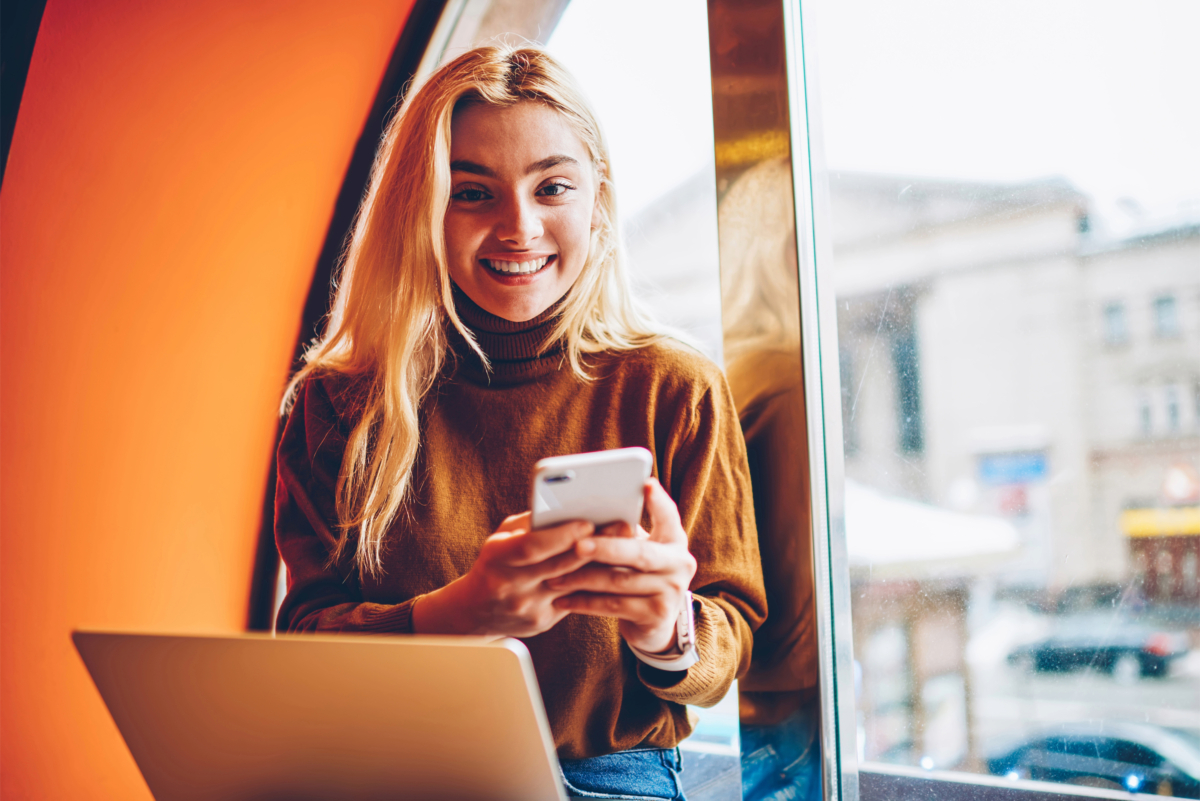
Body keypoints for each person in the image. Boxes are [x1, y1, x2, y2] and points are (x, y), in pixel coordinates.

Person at [273, 45, 766, 801]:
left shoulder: (675, 386)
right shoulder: (338, 401)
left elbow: (728, 634)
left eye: (553, 187)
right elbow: (303, 641)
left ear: (597, 200)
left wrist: (669, 631)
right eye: (473, 193)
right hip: (392, 773)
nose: (519, 227)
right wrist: (457, 615)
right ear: (423, 207)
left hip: (610, 776)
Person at [720, 157, 821, 801]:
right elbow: (789, 575)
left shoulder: (741, 367)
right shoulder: (785, 379)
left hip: (756, 697)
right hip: (788, 707)